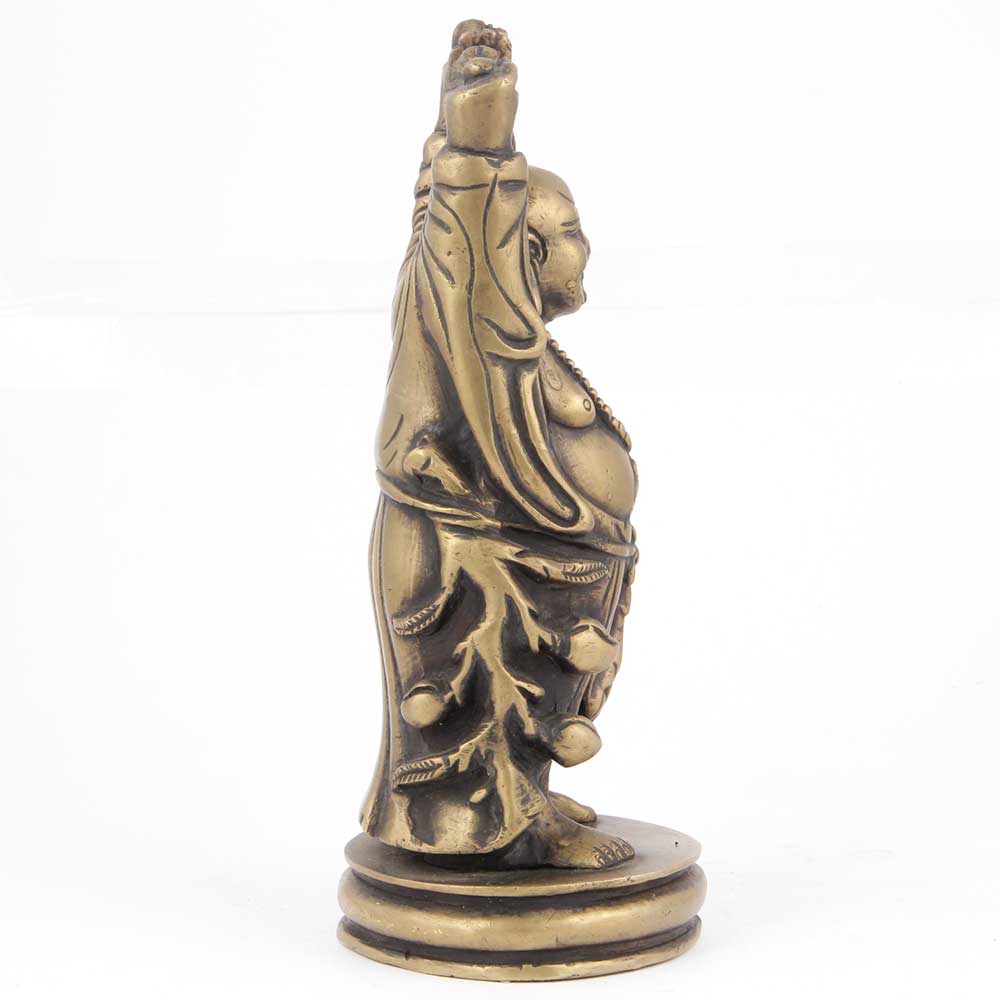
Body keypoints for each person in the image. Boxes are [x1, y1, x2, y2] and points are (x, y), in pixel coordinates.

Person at [360, 21, 639, 869]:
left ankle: (530, 797)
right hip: (475, 552)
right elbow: (458, 226)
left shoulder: (519, 348)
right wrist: (479, 138)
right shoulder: (480, 327)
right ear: (522, 249)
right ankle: (509, 822)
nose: (586, 247)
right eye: (571, 231)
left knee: (528, 688)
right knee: (482, 693)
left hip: (535, 555)